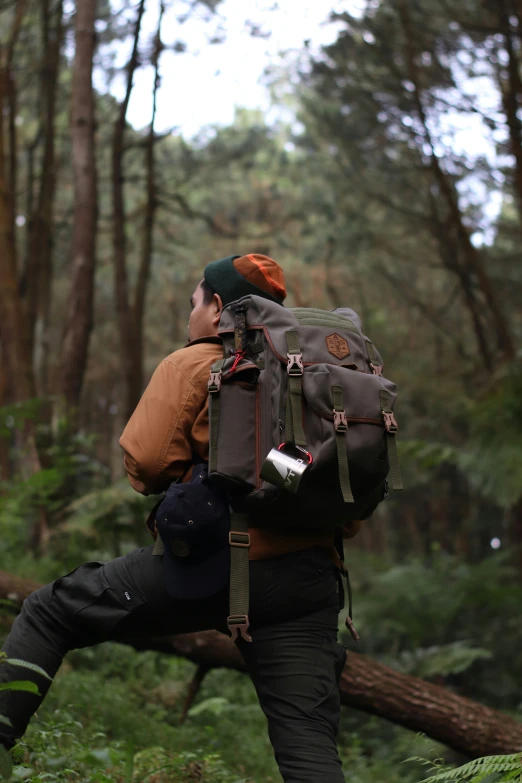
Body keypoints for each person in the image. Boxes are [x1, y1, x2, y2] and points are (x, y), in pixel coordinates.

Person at [0, 254, 361, 783]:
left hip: (214, 567)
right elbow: (346, 497)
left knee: (49, 611)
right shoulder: (315, 376)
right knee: (308, 747)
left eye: (194, 300)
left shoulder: (195, 364)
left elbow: (144, 464)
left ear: (218, 309)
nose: (189, 311)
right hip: (309, 579)